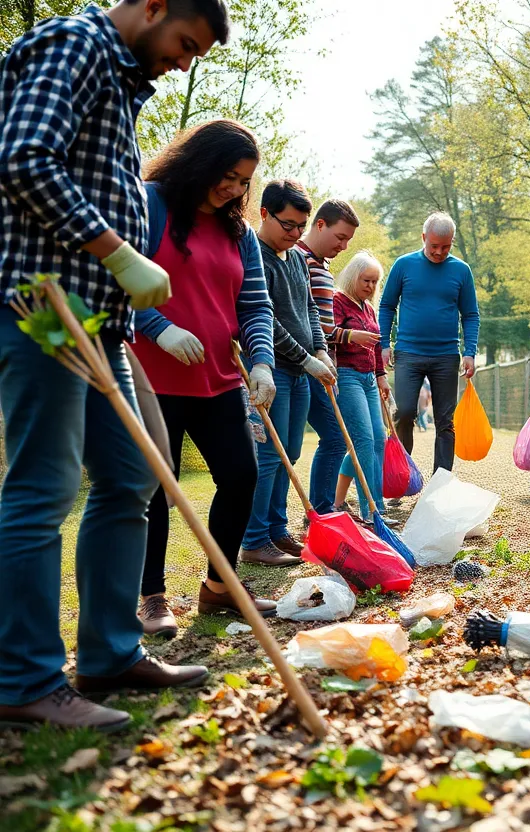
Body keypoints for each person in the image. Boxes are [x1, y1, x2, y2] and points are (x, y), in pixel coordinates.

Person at [0, 0, 229, 732]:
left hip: (102, 324)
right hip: (43, 307)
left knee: (135, 474)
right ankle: (24, 680)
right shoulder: (75, 41)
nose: (184, 62)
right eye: (184, 43)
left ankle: (109, 651)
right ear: (153, 6)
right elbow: (22, 157)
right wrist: (118, 251)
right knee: (43, 487)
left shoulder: (120, 73)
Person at [130, 119, 278, 638]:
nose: (234, 189)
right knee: (156, 489)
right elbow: (116, 280)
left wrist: (261, 360)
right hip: (153, 376)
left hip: (218, 379)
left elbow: (255, 305)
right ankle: (151, 596)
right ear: (201, 160)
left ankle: (220, 587)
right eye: (228, 176)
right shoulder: (149, 203)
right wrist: (159, 327)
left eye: (243, 182)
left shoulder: (239, 233)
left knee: (241, 476)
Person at [240, 180, 336, 563]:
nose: (296, 234)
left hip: (300, 371)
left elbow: (309, 309)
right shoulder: (255, 256)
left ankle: (277, 530)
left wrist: (320, 350)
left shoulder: (296, 257)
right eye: (288, 225)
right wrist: (303, 358)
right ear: (264, 213)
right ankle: (254, 540)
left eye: (301, 226)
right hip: (270, 369)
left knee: (290, 451)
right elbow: (266, 320)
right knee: (268, 455)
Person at [379, 211, 480, 474]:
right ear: (424, 238)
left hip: (446, 355)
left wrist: (470, 351)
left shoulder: (461, 270)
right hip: (408, 353)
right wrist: (384, 343)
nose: (439, 252)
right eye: (434, 245)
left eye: (446, 246)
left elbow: (470, 314)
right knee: (405, 412)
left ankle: (441, 481)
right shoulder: (403, 265)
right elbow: (387, 305)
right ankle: (403, 475)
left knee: (445, 421)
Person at [296, 200, 359, 516]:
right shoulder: (299, 258)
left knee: (334, 438)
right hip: (304, 364)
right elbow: (303, 319)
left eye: (348, 240)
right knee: (334, 437)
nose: (344, 246)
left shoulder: (320, 263)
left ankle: (323, 507)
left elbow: (322, 322)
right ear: (319, 224)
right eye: (340, 237)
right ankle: (322, 508)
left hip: (325, 363)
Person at [331, 251, 395, 525]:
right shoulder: (338, 301)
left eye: (374, 282)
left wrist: (382, 377)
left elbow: (377, 345)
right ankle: (372, 510)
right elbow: (325, 332)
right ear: (352, 276)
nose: (370, 286)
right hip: (347, 376)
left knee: (376, 441)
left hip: (370, 379)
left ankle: (341, 501)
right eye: (365, 280)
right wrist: (351, 336)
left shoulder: (368, 308)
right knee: (364, 442)